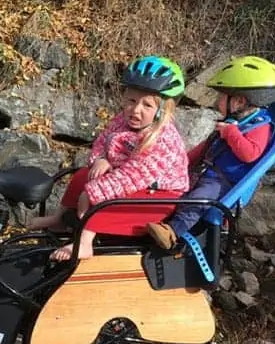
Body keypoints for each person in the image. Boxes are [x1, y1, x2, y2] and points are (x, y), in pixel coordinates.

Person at [28, 55, 190, 261]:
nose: (136, 109)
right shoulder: (123, 120)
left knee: (108, 200)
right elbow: (102, 141)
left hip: (160, 195)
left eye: (147, 105)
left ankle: (85, 243)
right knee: (81, 176)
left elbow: (132, 176)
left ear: (161, 111)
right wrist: (101, 159)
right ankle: (59, 219)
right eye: (131, 100)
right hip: (125, 178)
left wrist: (93, 193)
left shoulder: (162, 139)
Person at [146, 55, 275, 250]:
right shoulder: (235, 122)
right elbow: (206, 147)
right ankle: (149, 221)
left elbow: (251, 154)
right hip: (207, 172)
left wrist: (231, 133)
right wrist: (180, 162)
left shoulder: (258, 127)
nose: (217, 102)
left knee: (198, 199)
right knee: (174, 187)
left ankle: (171, 232)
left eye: (220, 97)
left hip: (223, 183)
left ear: (238, 101)